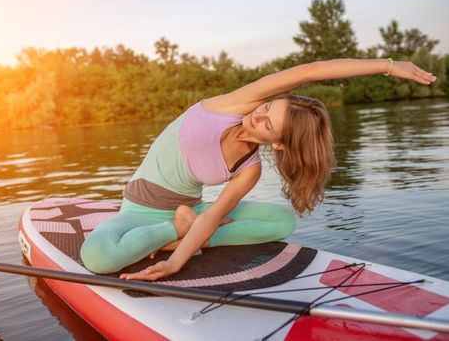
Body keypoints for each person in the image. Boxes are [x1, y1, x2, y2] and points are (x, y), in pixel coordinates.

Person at [80, 58, 436, 281]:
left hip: (193, 213)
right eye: (266, 108)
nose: (258, 116)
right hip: (139, 210)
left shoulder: (249, 169)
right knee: (98, 256)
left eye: (268, 124)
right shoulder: (232, 104)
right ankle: (177, 231)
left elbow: (214, 213)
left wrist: (175, 264)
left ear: (278, 144)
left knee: (282, 222)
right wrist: (388, 66)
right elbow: (308, 72)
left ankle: (180, 237)